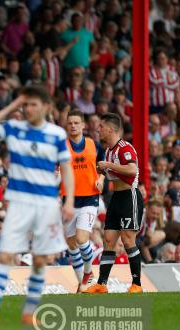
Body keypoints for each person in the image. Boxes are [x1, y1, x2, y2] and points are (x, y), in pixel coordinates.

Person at [0, 85, 74, 326]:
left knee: (40, 260)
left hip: (47, 205)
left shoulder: (57, 134)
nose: (28, 109)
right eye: (26, 104)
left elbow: (67, 169)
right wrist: (12, 105)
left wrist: (68, 200)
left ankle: (29, 312)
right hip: (19, 203)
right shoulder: (14, 128)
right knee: (6, 255)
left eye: (33, 104)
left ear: (46, 107)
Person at [84, 113, 145, 294]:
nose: (98, 129)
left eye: (101, 127)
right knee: (109, 240)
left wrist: (108, 166)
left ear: (111, 129)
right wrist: (100, 176)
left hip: (130, 196)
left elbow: (132, 169)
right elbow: (106, 170)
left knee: (127, 239)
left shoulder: (124, 148)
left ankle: (137, 284)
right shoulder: (109, 151)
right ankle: (102, 284)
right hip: (116, 198)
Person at [61, 109, 105, 292]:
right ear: (66, 125)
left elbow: (102, 167)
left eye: (76, 123)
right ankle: (83, 285)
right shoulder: (61, 147)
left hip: (89, 198)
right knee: (71, 244)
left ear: (83, 125)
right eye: (70, 123)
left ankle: (88, 273)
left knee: (81, 238)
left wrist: (101, 180)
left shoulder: (94, 146)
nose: (73, 126)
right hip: (69, 200)